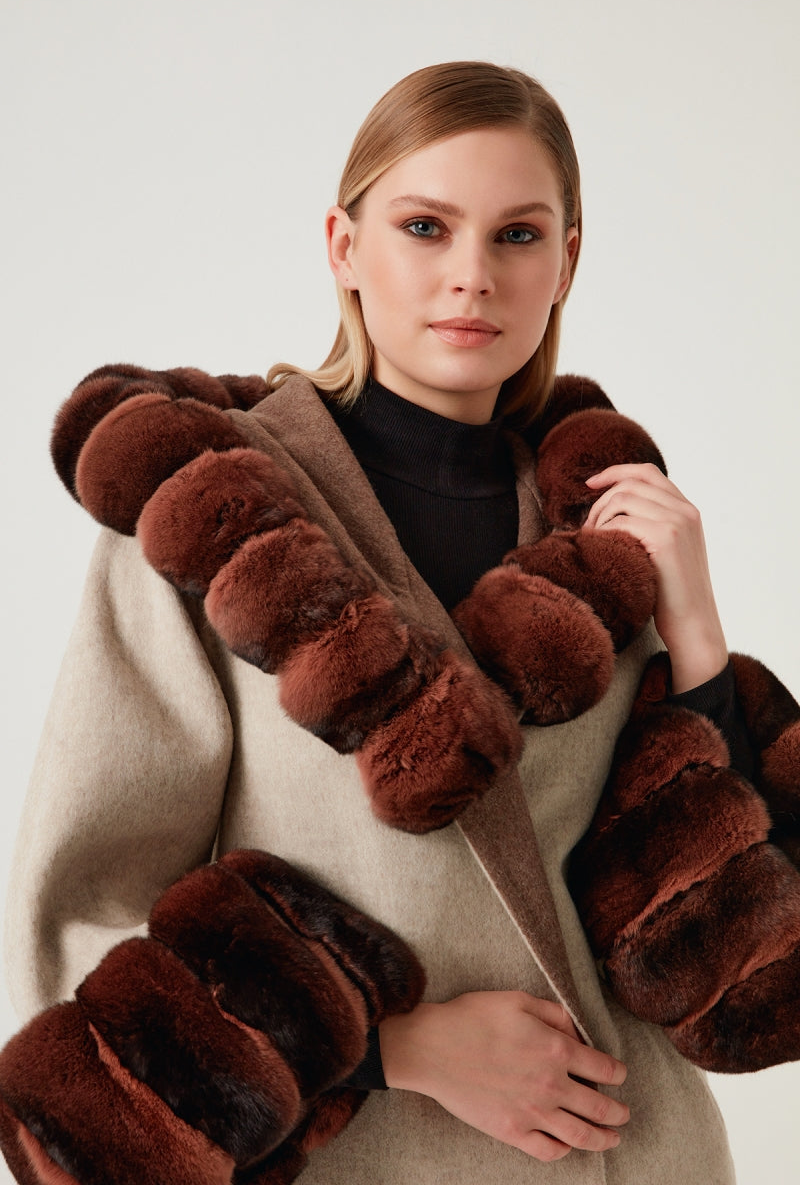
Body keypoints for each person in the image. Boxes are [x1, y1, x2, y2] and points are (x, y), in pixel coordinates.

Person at [3, 61, 750, 1183]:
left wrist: (696, 636)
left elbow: (737, 971)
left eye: (515, 236)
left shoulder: (601, 529)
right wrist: (390, 1049)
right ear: (344, 247)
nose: (469, 277)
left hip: (628, 1153)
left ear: (567, 261)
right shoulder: (206, 517)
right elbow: (74, 927)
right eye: (422, 225)